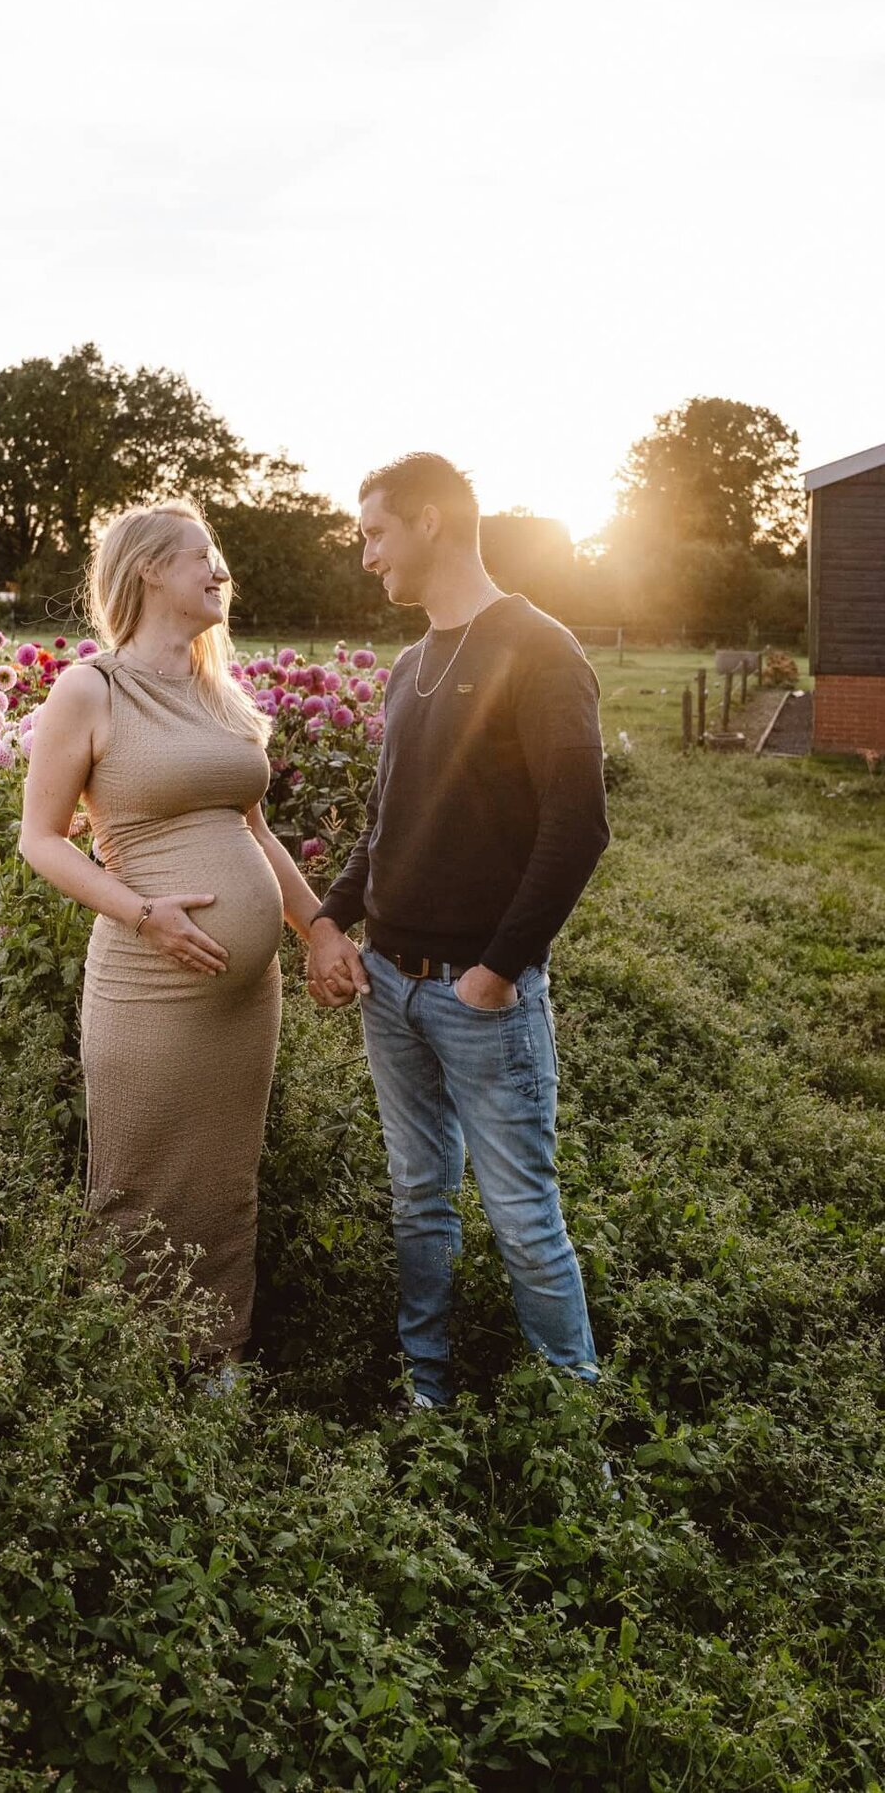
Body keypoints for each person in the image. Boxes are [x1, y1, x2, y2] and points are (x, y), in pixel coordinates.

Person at [306, 454, 610, 1409]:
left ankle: (574, 1428)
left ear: (431, 521)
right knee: (417, 1199)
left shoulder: (541, 648)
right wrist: (328, 918)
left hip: (484, 1000)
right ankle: (424, 1393)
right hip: (388, 989)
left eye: (375, 533)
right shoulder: (409, 665)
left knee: (523, 1217)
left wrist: (497, 969)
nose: (366, 557)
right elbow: (388, 822)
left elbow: (578, 827)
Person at [20, 500, 321, 1368]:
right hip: (147, 981)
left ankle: (219, 1354)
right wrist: (142, 911)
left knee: (226, 1178)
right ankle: (125, 1364)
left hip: (242, 1000)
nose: (221, 570)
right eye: (203, 557)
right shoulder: (91, 687)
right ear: (150, 568)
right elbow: (40, 839)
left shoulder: (219, 695)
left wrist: (319, 931)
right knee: (140, 1175)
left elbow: (256, 834)